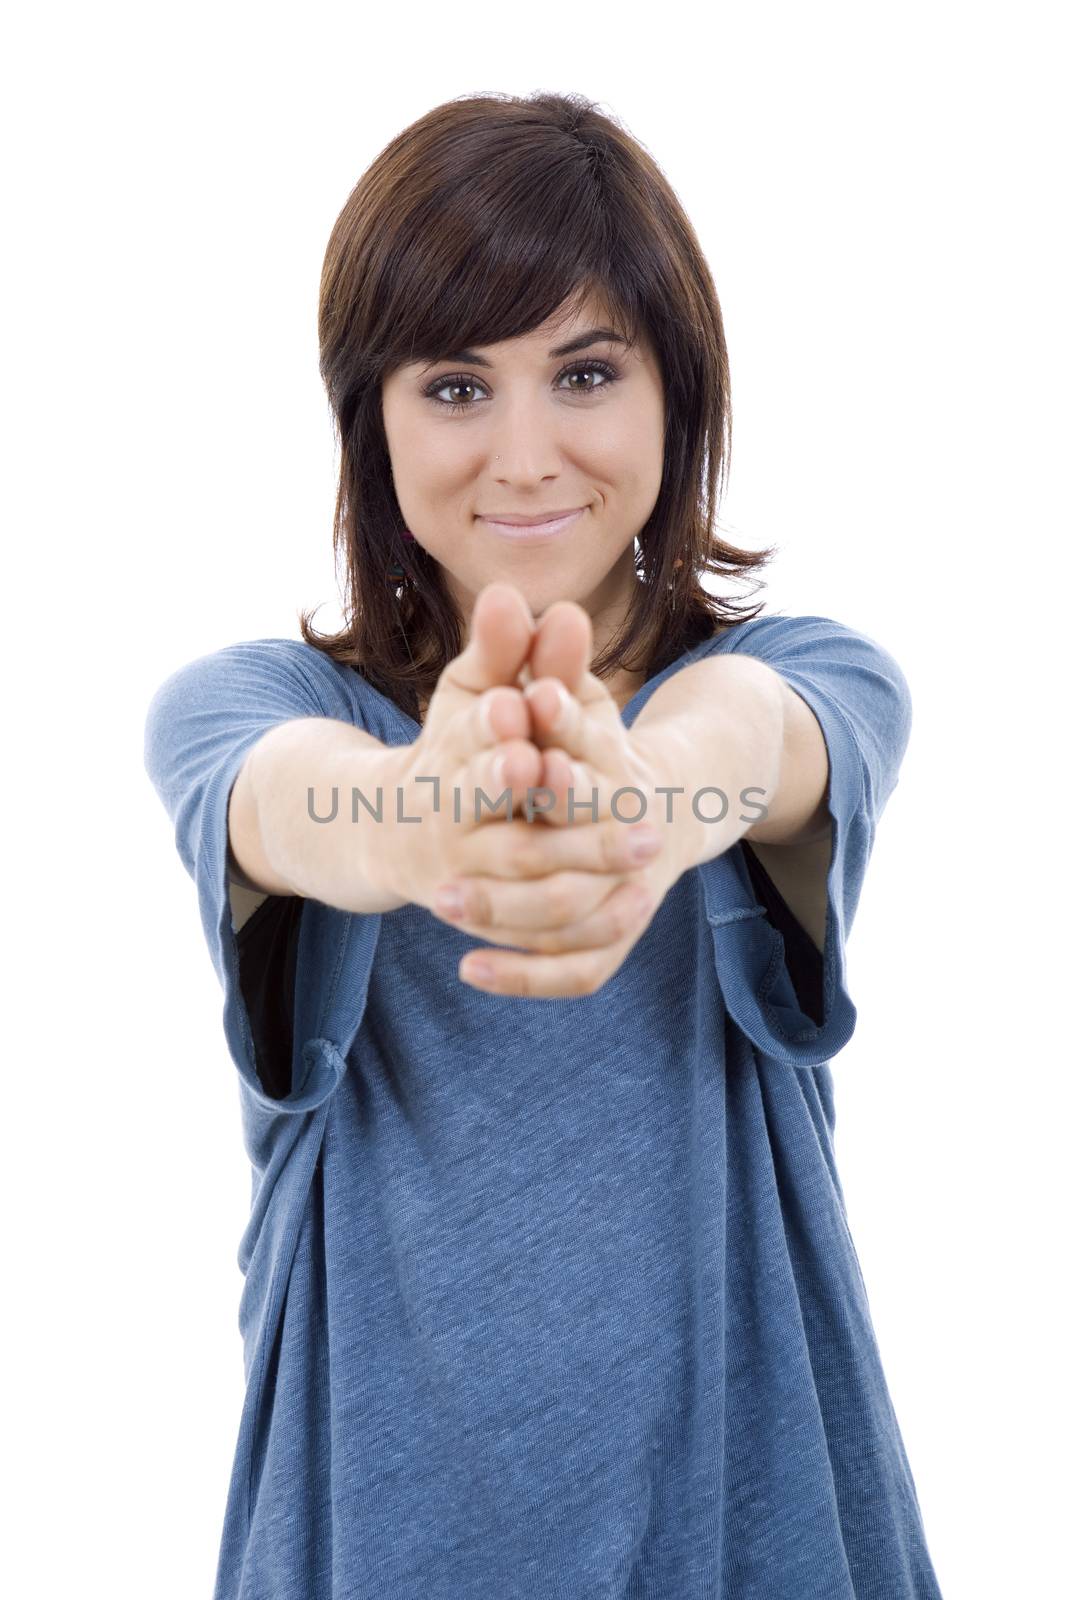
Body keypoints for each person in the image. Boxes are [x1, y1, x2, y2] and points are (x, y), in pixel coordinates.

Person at [143, 91, 943, 1600]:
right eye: (456, 385)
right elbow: (285, 797)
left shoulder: (819, 675)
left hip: (757, 1525)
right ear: (371, 418)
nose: (524, 456)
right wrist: (428, 815)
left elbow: (753, 738)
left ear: (675, 400)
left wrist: (638, 800)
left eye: (584, 372)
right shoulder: (248, 705)